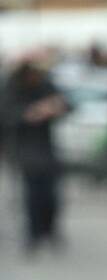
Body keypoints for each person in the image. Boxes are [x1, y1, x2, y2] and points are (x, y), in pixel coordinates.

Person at [2, 55, 70, 252]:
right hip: (23, 147)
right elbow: (7, 115)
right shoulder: (12, 88)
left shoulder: (46, 85)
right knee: (32, 194)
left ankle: (49, 230)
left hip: (46, 146)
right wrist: (30, 113)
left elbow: (67, 104)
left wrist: (56, 108)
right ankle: (33, 235)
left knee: (50, 194)